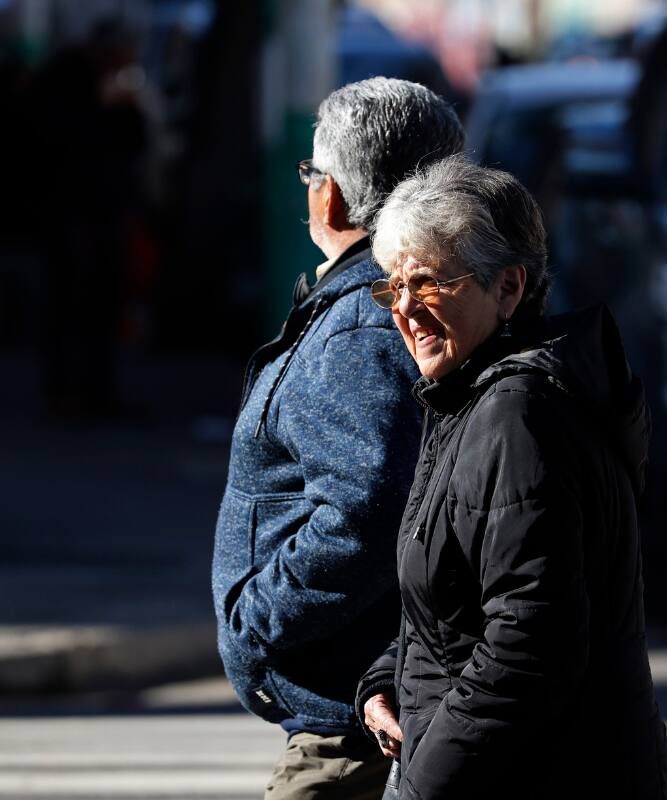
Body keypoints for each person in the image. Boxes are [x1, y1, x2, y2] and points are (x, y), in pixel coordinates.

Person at [355, 156, 667, 799]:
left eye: (430, 284)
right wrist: (388, 678)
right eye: (394, 287)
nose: (406, 310)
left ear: (508, 288)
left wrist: (423, 784)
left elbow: (532, 644)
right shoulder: (469, 394)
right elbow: (461, 596)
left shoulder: (518, 413)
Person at [212, 78, 464, 800]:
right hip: (371, 699)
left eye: (311, 173)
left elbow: (367, 508)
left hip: (352, 720)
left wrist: (257, 621)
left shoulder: (362, 323)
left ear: (332, 196)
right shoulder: (411, 300)